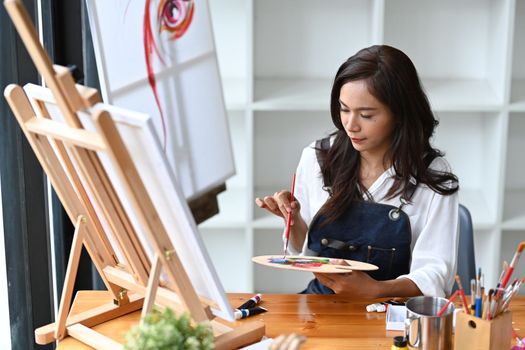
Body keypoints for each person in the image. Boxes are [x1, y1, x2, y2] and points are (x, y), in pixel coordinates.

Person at [255, 45, 459, 298]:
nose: (351, 125)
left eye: (366, 114)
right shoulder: (318, 158)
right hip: (321, 305)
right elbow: (307, 253)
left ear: (400, 114)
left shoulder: (432, 176)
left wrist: (376, 289)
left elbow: (436, 273)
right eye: (344, 109)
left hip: (392, 311)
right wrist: (294, 221)